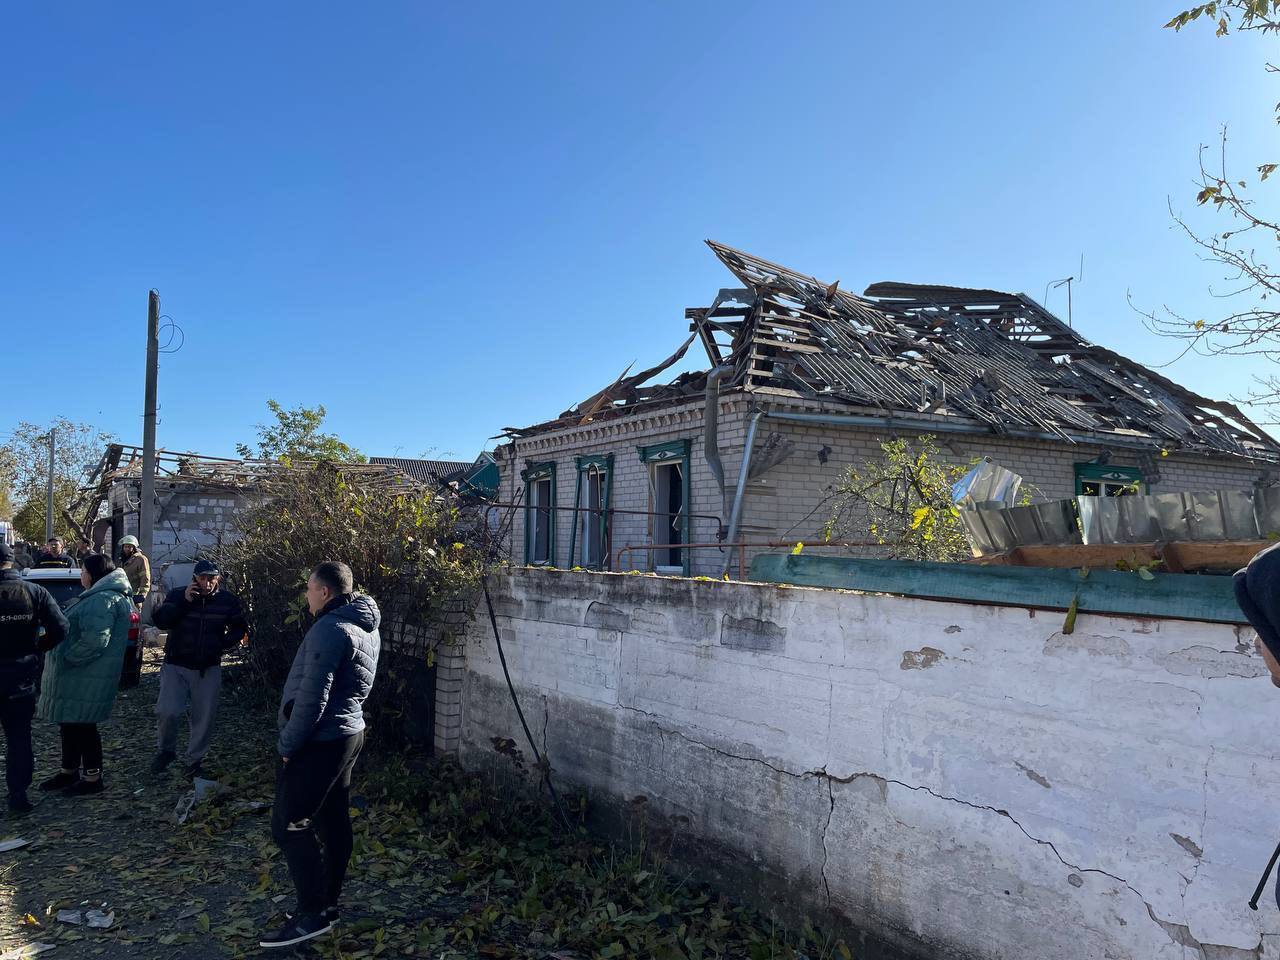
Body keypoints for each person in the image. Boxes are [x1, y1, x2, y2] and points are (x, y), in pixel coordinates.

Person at [259, 562, 380, 950]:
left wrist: (289, 746)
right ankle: (326, 904)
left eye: (309, 589)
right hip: (349, 733)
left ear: (325, 592)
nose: (306, 596)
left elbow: (312, 700)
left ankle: (311, 913)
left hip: (323, 739)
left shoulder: (329, 629)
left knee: (288, 824)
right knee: (332, 819)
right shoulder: (363, 625)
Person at [34, 554, 133, 797]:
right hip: (79, 676)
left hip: (85, 674)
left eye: (83, 571)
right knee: (70, 724)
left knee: (84, 727)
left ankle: (92, 777)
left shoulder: (102, 600)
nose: (81, 575)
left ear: (94, 574)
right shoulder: (98, 597)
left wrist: (67, 658)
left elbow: (96, 640)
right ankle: (68, 771)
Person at [150, 559, 247, 778]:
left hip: (208, 665)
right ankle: (166, 750)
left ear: (218, 579)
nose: (206, 583)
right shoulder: (177, 595)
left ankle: (194, 761)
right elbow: (162, 622)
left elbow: (240, 627)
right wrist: (185, 601)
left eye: (211, 578)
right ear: (194, 578)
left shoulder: (227, 601)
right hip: (176, 663)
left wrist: (222, 644)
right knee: (168, 711)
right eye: (202, 577)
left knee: (204, 717)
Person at [0, 542, 68, 813]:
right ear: (12, 562)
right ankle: (18, 795)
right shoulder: (34, 592)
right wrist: (38, 649)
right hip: (21, 678)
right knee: (19, 738)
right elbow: (61, 627)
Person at [118, 536, 151, 608]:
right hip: (122, 597)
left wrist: (142, 595)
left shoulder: (141, 559)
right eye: (125, 546)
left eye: (129, 547)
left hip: (134, 599)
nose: (127, 549)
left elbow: (145, 578)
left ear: (134, 548)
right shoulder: (123, 560)